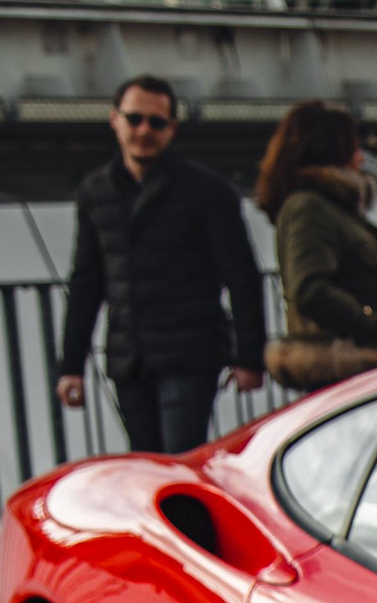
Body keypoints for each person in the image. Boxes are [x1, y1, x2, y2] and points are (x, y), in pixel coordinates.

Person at [54, 75, 266, 455]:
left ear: (172, 129)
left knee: (180, 460)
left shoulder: (207, 191)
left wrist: (250, 357)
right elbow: (86, 281)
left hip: (190, 352)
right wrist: (71, 366)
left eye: (156, 122)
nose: (143, 130)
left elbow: (242, 275)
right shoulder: (95, 190)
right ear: (114, 120)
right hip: (129, 356)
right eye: (134, 119)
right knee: (145, 462)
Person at [255, 102, 377, 392]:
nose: (360, 158)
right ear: (332, 150)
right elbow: (309, 289)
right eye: (353, 147)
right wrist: (373, 325)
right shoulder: (310, 207)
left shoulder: (333, 207)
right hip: (348, 368)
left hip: (363, 368)